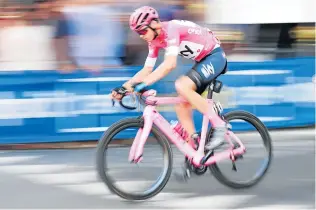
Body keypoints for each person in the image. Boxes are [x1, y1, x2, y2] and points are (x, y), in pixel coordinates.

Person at [111, 6, 229, 179]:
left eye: (143, 31)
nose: (141, 35)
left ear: (154, 24)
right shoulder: (154, 41)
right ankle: (195, 156)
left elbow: (169, 65)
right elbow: (146, 70)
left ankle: (219, 124)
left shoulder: (171, 29)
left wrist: (141, 85)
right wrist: (124, 87)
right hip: (201, 61)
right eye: (138, 33)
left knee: (181, 85)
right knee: (181, 106)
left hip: (214, 56)